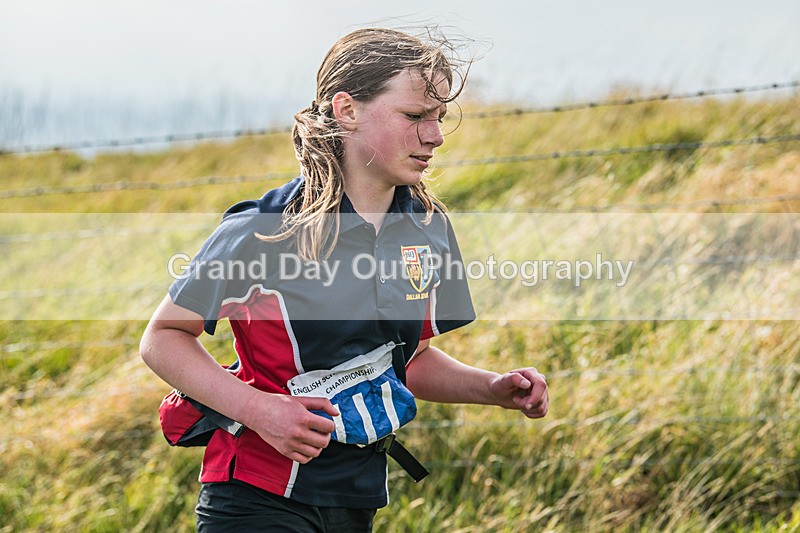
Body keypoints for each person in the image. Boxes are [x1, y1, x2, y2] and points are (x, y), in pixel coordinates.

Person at [140, 27, 549, 532]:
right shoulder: (264, 230)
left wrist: (493, 388)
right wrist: (258, 410)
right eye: (415, 115)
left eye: (439, 117)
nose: (436, 135)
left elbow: (409, 362)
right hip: (256, 495)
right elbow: (163, 337)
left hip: (358, 496)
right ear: (347, 110)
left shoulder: (427, 229)